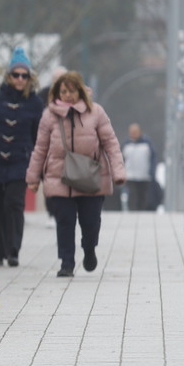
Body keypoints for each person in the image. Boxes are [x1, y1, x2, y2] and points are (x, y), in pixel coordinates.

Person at [26, 70, 125, 277]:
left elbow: (111, 143)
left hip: (91, 176)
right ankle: (66, 262)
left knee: (91, 222)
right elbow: (40, 148)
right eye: (63, 91)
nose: (67, 95)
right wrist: (33, 178)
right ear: (57, 92)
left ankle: (89, 249)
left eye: (71, 91)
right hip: (59, 177)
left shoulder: (96, 112)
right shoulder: (49, 115)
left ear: (80, 91)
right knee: (64, 221)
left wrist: (118, 172)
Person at [0, 46, 44, 267]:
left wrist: (38, 166)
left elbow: (39, 137)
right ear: (9, 76)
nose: (20, 79)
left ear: (30, 78)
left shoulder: (35, 103)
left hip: (20, 162)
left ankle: (14, 250)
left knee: (14, 204)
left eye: (24, 75)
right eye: (16, 74)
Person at [121, 123, 158, 211]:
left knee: (142, 195)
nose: (133, 134)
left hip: (144, 175)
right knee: (132, 195)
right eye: (131, 132)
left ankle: (141, 211)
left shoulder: (147, 143)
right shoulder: (126, 144)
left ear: (140, 132)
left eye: (135, 132)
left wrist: (152, 171)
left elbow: (153, 157)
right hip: (130, 175)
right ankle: (132, 211)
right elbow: (121, 159)